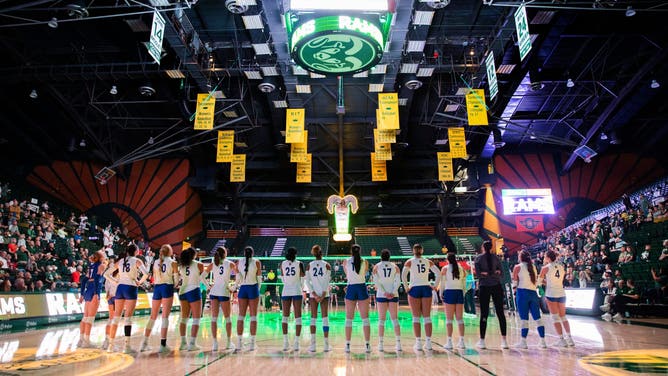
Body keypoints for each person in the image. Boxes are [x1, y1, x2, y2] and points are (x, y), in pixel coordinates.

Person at [103, 243, 149, 353]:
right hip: (131, 288)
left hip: (120, 288)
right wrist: (139, 282)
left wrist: (116, 281)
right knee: (128, 318)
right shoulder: (137, 260)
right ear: (136, 251)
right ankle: (127, 346)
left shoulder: (120, 261)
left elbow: (106, 274)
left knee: (116, 317)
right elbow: (146, 273)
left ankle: (111, 346)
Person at [401, 243, 440, 351]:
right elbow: (438, 273)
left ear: (413, 251)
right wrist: (435, 286)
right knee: (427, 317)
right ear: (422, 251)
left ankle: (418, 343)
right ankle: (428, 343)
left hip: (414, 289)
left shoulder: (409, 261)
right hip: (426, 288)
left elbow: (403, 275)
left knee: (416, 317)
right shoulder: (428, 261)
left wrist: (406, 287)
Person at [140, 244, 178, 353]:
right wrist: (175, 285)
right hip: (167, 287)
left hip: (157, 288)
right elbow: (176, 280)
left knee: (153, 316)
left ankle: (144, 343)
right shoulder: (173, 262)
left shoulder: (156, 262)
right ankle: (162, 345)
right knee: (165, 317)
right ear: (170, 252)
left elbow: (153, 277)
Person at [474, 240, 508, 349]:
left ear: (483, 247)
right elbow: (501, 273)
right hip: (496, 286)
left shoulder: (478, 258)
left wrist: (485, 274)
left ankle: (482, 341)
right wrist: (495, 273)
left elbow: (479, 275)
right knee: (500, 313)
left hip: (484, 287)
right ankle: (504, 341)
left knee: (484, 313)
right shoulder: (496, 258)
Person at [538, 250, 574, 347]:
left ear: (548, 258)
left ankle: (561, 340)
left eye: (545, 257)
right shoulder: (561, 267)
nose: (544, 259)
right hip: (561, 293)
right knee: (563, 317)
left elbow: (539, 282)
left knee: (555, 317)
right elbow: (558, 280)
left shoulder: (545, 268)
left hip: (551, 294)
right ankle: (570, 339)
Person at [512, 250, 546, 349]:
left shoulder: (517, 267)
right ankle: (543, 341)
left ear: (520, 257)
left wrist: (514, 292)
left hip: (522, 293)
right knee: (538, 318)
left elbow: (514, 282)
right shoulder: (533, 267)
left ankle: (523, 342)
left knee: (524, 319)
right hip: (533, 293)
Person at [206, 246, 238, 351]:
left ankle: (215, 344)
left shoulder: (213, 263)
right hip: (224, 292)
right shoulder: (229, 263)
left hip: (214, 291)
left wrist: (208, 286)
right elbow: (240, 276)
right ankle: (229, 342)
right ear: (225, 253)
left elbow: (202, 276)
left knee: (214, 318)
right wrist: (233, 287)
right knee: (228, 318)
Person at [371, 249, 401, 352]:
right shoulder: (395, 267)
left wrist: (384, 292)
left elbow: (376, 282)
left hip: (381, 295)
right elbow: (398, 281)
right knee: (395, 319)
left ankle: (381, 345)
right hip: (394, 295)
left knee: (381, 320)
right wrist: (392, 292)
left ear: (381, 257)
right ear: (389, 257)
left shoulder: (376, 267)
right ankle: (398, 344)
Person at [343, 244, 371, 353]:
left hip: (351, 287)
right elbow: (364, 273)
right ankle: (367, 345)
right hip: (361, 287)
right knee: (365, 319)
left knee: (349, 318)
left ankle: (347, 345)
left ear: (351, 251)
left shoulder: (346, 261)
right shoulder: (365, 261)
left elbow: (347, 274)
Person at [436, 252, 467, 350]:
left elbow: (442, 283)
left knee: (449, 319)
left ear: (447, 259)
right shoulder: (461, 268)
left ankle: (449, 342)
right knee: (460, 319)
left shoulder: (445, 269)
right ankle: (462, 342)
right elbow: (464, 283)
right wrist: (463, 292)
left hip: (449, 292)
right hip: (459, 292)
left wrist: (441, 293)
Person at [304, 244, 332, 352]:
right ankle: (326, 345)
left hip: (313, 295)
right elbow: (327, 280)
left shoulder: (309, 265)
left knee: (313, 318)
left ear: (313, 253)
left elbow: (307, 281)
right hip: (324, 294)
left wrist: (314, 294)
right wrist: (324, 293)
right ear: (321, 253)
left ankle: (313, 345)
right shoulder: (327, 265)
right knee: (325, 318)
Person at [177, 247, 205, 351]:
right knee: (196, 318)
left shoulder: (181, 266)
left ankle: (183, 343)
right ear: (194, 255)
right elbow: (202, 278)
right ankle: (192, 343)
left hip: (183, 291)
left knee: (184, 318)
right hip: (194, 290)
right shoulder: (199, 264)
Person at [235, 246, 262, 351]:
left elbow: (238, 279)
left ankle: (239, 343)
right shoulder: (257, 262)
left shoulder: (239, 262)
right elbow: (259, 279)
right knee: (253, 317)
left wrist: (234, 287)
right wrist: (257, 290)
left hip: (243, 288)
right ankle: (252, 344)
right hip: (253, 288)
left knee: (240, 316)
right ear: (253, 253)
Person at [78, 250, 106, 348]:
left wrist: (82, 294)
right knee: (90, 318)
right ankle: (86, 341)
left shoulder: (91, 266)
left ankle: (81, 340)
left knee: (85, 317)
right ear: (101, 257)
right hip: (94, 291)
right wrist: (96, 294)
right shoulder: (101, 266)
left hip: (87, 291)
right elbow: (97, 280)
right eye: (104, 254)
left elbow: (84, 280)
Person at [279, 247, 305, 351]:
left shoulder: (283, 263)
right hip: (297, 290)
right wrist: (300, 287)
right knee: (298, 317)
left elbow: (282, 277)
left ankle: (285, 343)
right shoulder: (299, 263)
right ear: (296, 254)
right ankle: (296, 343)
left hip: (286, 290)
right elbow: (303, 278)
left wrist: (287, 284)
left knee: (285, 317)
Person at [101, 260, 118, 350]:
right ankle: (111, 343)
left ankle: (106, 340)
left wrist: (108, 294)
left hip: (110, 297)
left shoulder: (108, 276)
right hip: (116, 297)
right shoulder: (118, 275)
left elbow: (106, 286)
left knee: (111, 318)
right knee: (114, 320)